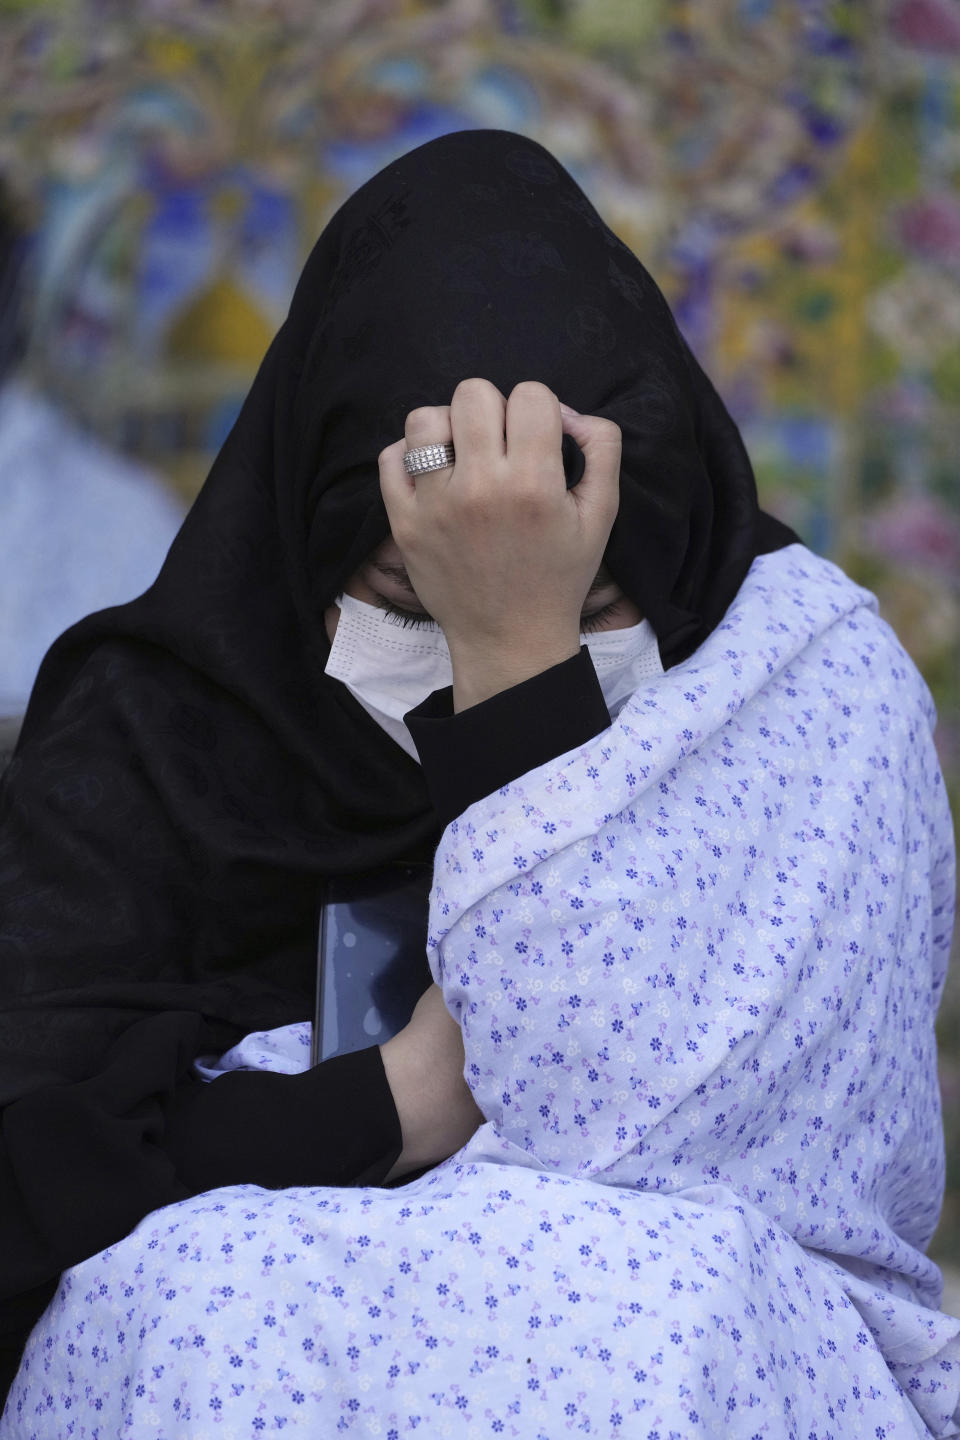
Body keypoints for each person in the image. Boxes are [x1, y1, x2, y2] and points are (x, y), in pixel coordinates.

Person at [0, 128, 957, 1437]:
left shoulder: (801, 686)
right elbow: (25, 1176)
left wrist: (523, 670)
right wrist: (389, 1105)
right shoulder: (168, 731)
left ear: (663, 557)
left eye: (587, 590)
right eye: (413, 592)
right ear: (309, 535)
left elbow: (632, 1142)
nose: (470, 643)